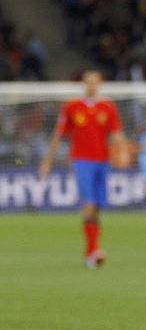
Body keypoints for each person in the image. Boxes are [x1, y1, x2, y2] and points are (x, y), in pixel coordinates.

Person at [39, 70, 127, 267]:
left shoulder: (108, 106)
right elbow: (58, 134)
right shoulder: (71, 106)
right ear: (83, 84)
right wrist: (47, 161)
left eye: (95, 82)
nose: (91, 85)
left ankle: (91, 250)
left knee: (96, 207)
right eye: (88, 82)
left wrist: (122, 153)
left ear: (100, 84)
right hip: (81, 161)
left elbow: (117, 133)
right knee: (88, 204)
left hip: (103, 161)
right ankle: (94, 250)